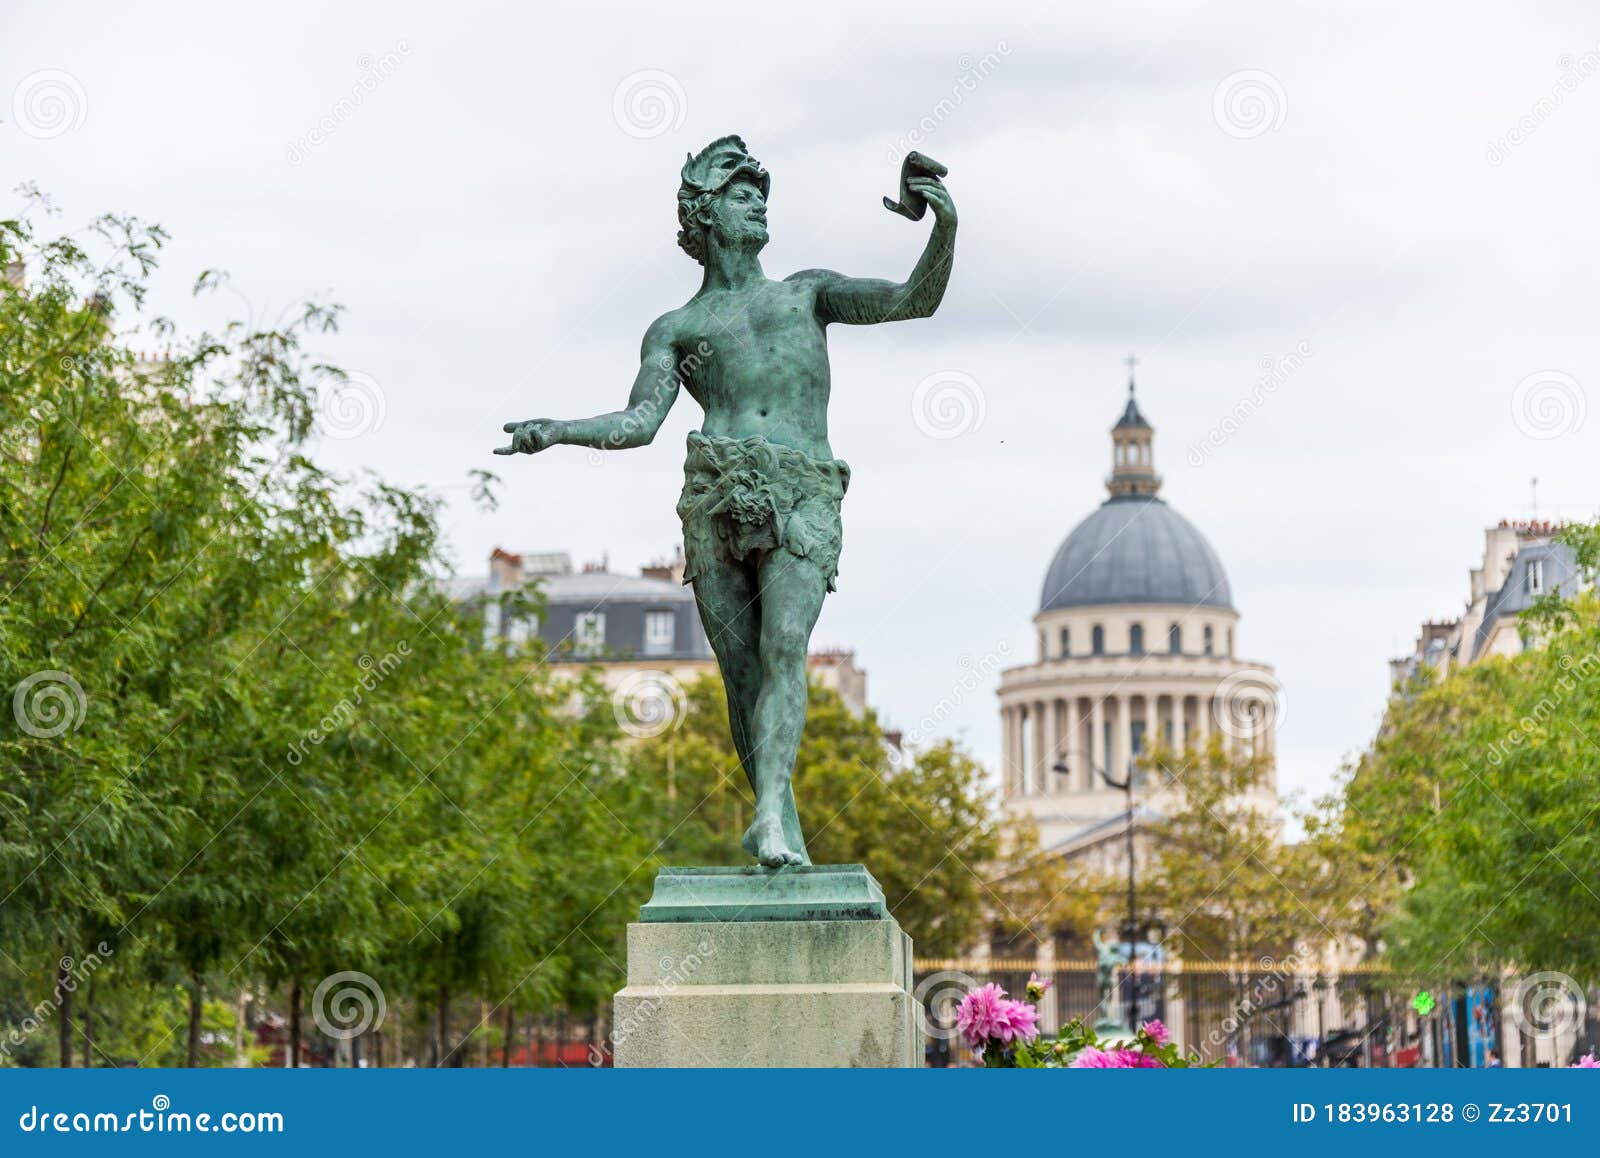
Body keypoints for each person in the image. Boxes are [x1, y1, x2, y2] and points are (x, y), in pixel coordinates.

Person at [496, 136, 956, 866]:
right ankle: (781, 827)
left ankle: (769, 815)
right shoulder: (677, 329)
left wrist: (944, 228)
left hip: (802, 489)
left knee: (783, 649)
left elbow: (912, 301)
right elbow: (638, 424)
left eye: (762, 195)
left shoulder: (807, 293)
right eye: (743, 195)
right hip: (713, 490)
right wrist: (555, 430)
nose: (760, 205)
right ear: (705, 214)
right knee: (742, 677)